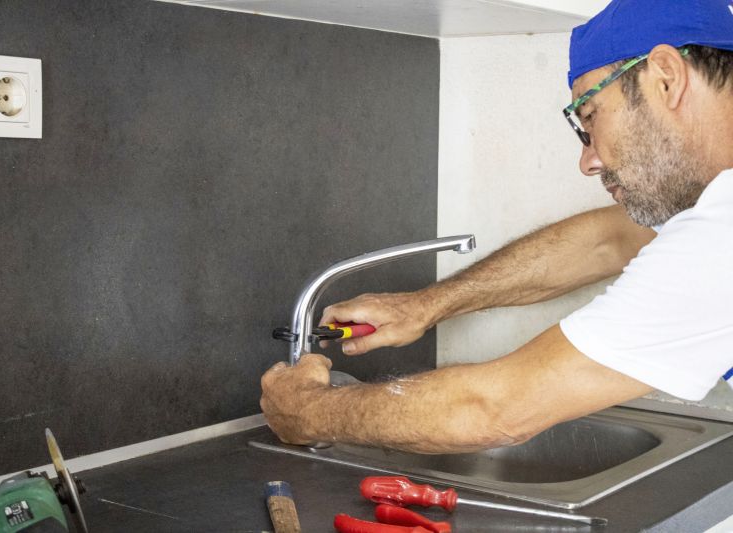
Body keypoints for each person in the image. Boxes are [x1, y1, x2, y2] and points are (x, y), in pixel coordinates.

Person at [260, 0, 733, 454]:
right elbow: (606, 243)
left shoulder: (719, 236)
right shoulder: (714, 213)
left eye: (590, 116)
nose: (588, 161)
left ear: (666, 78)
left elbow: (495, 409)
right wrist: (426, 305)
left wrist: (307, 410)